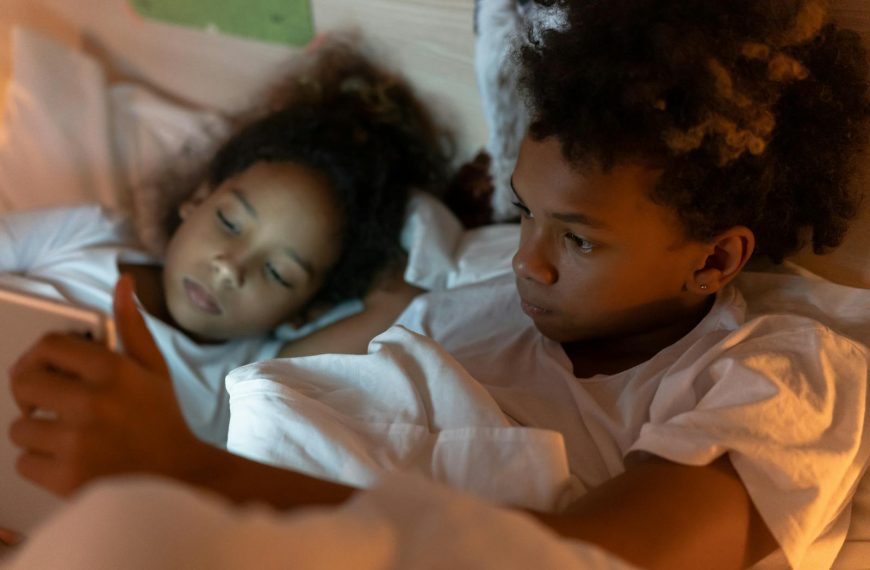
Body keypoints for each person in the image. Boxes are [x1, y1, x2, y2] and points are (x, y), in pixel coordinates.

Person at [8, 1, 870, 569]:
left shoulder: (781, 373)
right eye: (525, 212)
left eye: (576, 238)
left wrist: (194, 472)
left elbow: (599, 562)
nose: (527, 259)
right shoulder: (500, 303)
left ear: (714, 261)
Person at [1, 40, 449, 447]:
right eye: (230, 223)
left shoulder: (248, 380)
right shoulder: (90, 234)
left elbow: (398, 300)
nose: (231, 267)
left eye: (278, 273)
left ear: (305, 313)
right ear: (197, 199)